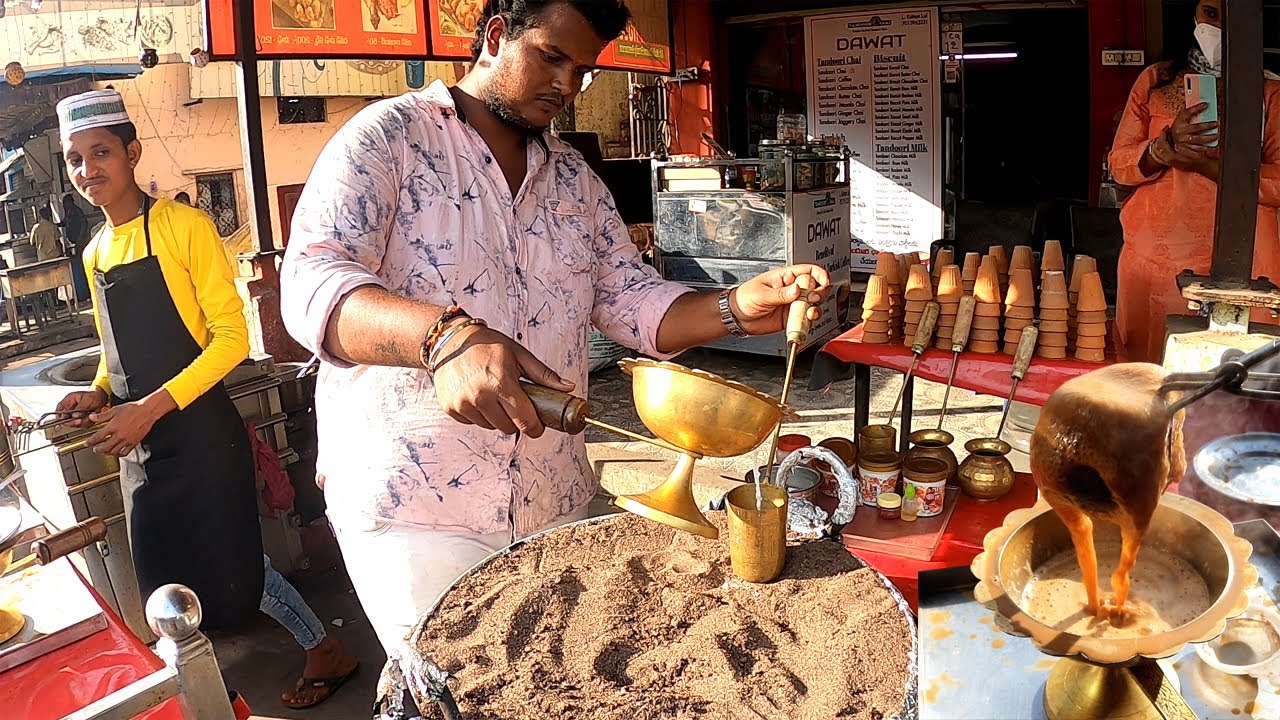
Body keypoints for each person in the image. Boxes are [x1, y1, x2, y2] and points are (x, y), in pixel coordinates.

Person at [280, 0, 831, 653]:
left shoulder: (575, 181)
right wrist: (442, 337)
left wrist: (737, 306)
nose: (567, 86)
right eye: (550, 57)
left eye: (584, 70)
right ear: (494, 36)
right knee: (455, 690)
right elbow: (312, 286)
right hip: (416, 511)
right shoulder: (388, 140)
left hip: (557, 503)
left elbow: (630, 299)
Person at [51, 89, 358, 710]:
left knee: (233, 564)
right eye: (75, 160)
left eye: (101, 153)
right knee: (165, 573)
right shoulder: (94, 253)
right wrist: (99, 391)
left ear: (133, 152)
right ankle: (210, 691)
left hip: (199, 436)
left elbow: (229, 339)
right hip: (142, 446)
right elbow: (115, 351)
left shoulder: (184, 227)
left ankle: (321, 649)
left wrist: (148, 409)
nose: (88, 171)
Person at [1108, 0, 1280, 363]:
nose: (1218, 25)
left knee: (1233, 381)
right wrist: (1161, 149)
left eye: (1227, 15)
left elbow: (1278, 184)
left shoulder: (1270, 92)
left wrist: (1206, 164)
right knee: (1147, 376)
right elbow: (1120, 163)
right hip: (1155, 259)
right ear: (1192, 16)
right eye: (1210, 13)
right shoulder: (1157, 81)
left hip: (1244, 263)